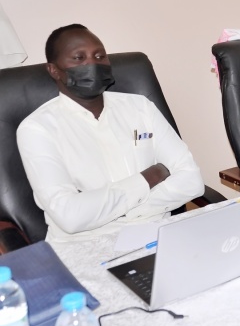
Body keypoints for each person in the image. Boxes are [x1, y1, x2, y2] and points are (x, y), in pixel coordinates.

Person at [17, 24, 204, 241]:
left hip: (157, 233)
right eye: (79, 58)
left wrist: (116, 211)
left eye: (100, 56)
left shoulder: (140, 107)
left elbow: (192, 181)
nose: (92, 63)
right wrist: (149, 177)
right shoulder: (37, 129)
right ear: (53, 70)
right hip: (86, 246)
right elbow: (70, 216)